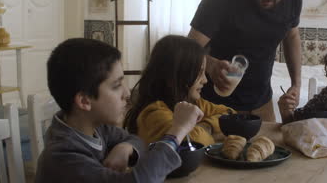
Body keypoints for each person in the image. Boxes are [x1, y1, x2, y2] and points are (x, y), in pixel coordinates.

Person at [35, 38, 204, 183]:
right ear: (85, 101)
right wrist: (177, 131)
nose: (127, 93)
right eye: (116, 86)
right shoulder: (62, 158)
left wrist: (126, 147)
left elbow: (137, 140)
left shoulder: (97, 129)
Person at [188, 0, 303, 121]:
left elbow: (292, 35)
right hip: (213, 104)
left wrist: (296, 83)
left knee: (266, 149)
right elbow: (188, 48)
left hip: (261, 102)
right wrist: (210, 64)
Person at [124, 35, 234, 147]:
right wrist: (212, 132)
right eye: (199, 72)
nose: (205, 80)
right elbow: (197, 142)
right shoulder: (154, 113)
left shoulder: (194, 104)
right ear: (178, 74)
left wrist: (207, 125)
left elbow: (230, 116)